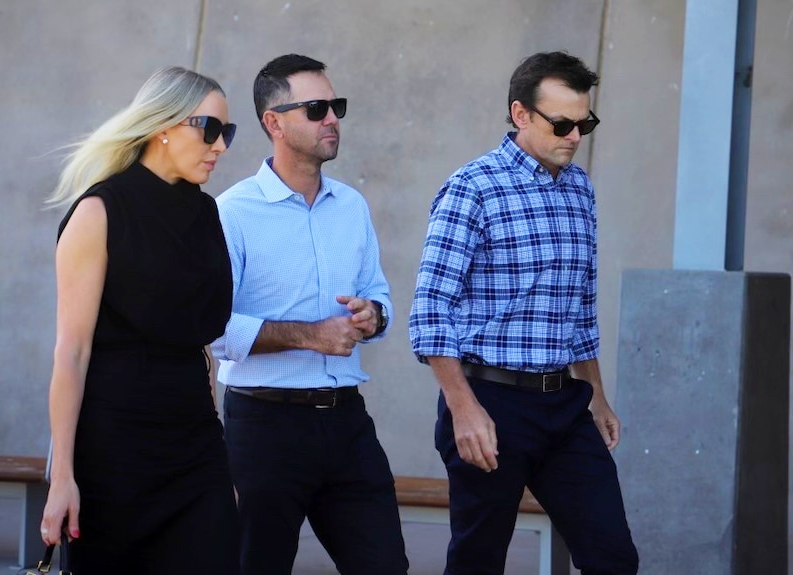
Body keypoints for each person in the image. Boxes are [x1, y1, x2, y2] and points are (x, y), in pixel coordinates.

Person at [409, 51, 639, 575]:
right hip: (491, 401)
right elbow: (429, 312)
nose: (575, 135)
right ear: (520, 115)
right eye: (562, 123)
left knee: (613, 557)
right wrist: (463, 409)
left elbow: (581, 307)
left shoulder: (580, 189)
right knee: (479, 561)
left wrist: (597, 397)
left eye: (585, 123)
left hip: (564, 404)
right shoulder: (473, 188)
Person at [212, 53, 408, 575]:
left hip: (346, 422)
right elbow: (211, 329)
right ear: (273, 123)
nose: (332, 119)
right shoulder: (232, 212)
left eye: (335, 106)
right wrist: (310, 336)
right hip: (263, 427)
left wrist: (374, 316)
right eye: (317, 108)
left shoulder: (352, 206)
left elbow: (379, 294)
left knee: (386, 566)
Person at [39, 66, 240, 574]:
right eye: (210, 129)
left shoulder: (207, 214)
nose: (220, 146)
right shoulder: (100, 212)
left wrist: (215, 443)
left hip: (194, 445)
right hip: (114, 451)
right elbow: (72, 350)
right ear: (163, 125)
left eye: (227, 133)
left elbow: (200, 345)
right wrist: (62, 474)